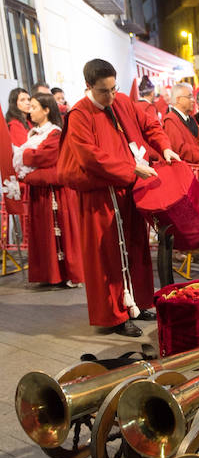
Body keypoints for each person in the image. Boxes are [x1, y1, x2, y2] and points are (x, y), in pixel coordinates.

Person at [58, 58, 180, 337]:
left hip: (128, 190)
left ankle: (139, 302)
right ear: (88, 86)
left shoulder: (122, 101)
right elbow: (90, 157)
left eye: (114, 88)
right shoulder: (79, 114)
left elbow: (150, 126)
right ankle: (115, 315)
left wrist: (165, 147)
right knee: (109, 256)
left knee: (136, 249)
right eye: (104, 91)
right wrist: (130, 167)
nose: (111, 96)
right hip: (101, 196)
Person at [13, 93, 83, 286]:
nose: (30, 110)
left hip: (56, 193)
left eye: (34, 107)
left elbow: (41, 158)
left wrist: (27, 167)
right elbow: (34, 157)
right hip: (40, 192)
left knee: (62, 232)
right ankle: (48, 274)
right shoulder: (34, 134)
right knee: (43, 234)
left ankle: (68, 273)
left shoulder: (55, 134)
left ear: (46, 110)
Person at [163, 82, 199, 163]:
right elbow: (179, 149)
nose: (193, 100)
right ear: (178, 99)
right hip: (190, 170)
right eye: (190, 97)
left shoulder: (190, 118)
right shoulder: (170, 120)